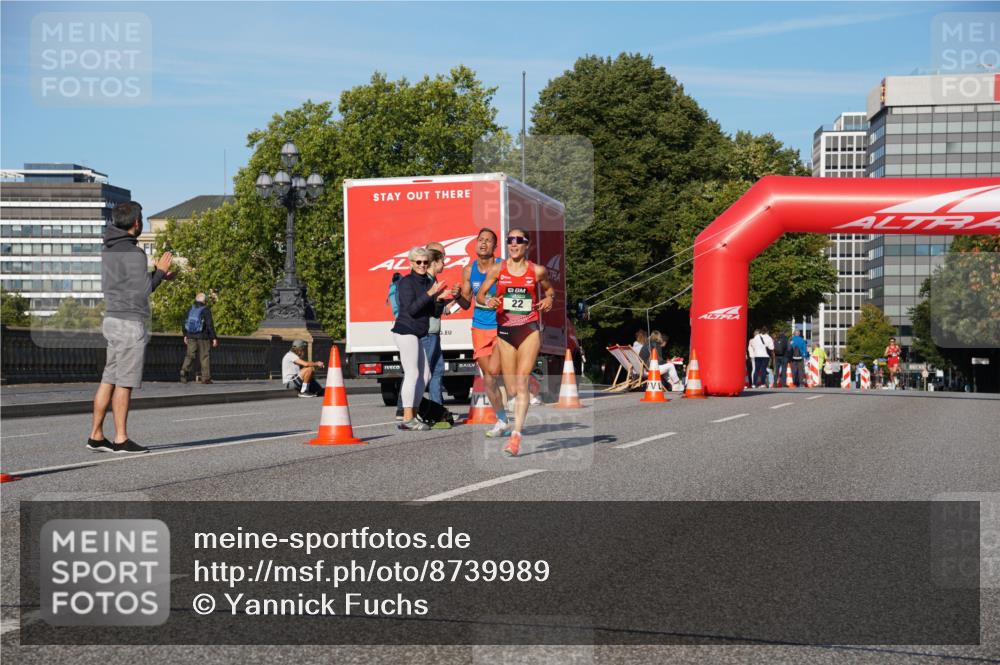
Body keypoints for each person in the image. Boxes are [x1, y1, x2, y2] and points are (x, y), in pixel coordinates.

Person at [87, 201, 173, 454]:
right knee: (124, 382)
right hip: (129, 322)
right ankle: (121, 438)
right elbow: (143, 290)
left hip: (111, 318)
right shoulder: (135, 253)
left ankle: (96, 435)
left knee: (109, 378)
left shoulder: (108, 248)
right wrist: (159, 272)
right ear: (136, 223)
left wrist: (157, 276)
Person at [477, 228, 556, 456]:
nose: (514, 244)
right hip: (505, 331)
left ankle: (515, 437)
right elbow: (481, 295)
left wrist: (549, 299)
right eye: (510, 240)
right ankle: (525, 392)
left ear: (526, 245)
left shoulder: (537, 271)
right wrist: (489, 300)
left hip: (529, 329)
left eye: (518, 240)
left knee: (520, 384)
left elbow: (550, 291)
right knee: (512, 389)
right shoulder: (497, 269)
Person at [454, 228, 510, 438]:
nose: (483, 243)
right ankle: (502, 420)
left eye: (488, 241)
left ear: (495, 247)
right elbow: (466, 303)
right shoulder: (469, 270)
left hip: (502, 325)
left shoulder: (503, 266)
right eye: (480, 240)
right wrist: (458, 296)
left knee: (496, 372)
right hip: (479, 327)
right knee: (489, 379)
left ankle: (517, 391)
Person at [393, 246, 450, 430]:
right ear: (411, 263)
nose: (422, 265)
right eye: (418, 262)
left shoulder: (427, 283)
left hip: (418, 332)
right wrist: (430, 294)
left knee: (425, 375)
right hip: (405, 331)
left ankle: (415, 414)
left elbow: (433, 312)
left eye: (425, 262)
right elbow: (411, 309)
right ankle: (407, 417)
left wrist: (441, 299)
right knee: (413, 373)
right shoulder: (406, 282)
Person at [179, 292, 218, 384]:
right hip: (203, 336)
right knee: (204, 356)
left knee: (190, 355)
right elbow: (209, 325)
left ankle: (184, 371)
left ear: (196, 299)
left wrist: (185, 335)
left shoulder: (190, 308)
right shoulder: (206, 310)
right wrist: (214, 338)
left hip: (191, 335)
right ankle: (206, 378)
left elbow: (184, 322)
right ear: (205, 301)